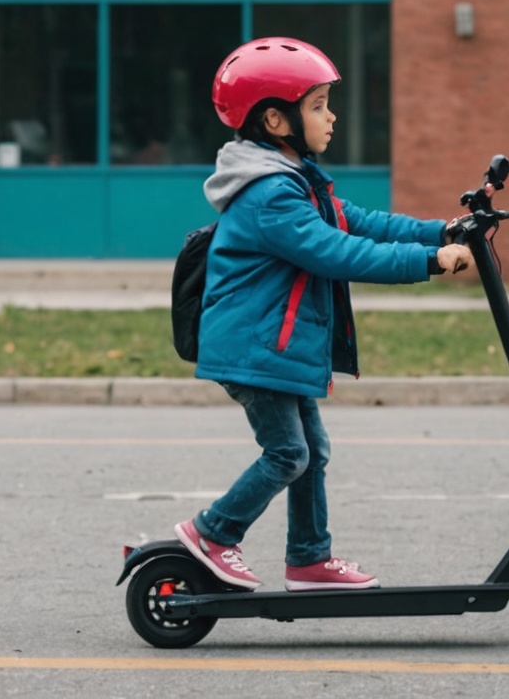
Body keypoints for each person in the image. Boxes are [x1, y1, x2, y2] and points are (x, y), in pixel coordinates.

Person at [174, 36, 474, 592]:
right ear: (275, 119)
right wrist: (429, 262)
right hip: (254, 350)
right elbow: (337, 251)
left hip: (277, 348)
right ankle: (213, 533)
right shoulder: (271, 197)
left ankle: (310, 560)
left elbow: (360, 222)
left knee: (311, 453)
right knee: (288, 453)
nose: (331, 116)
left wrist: (443, 230)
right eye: (317, 106)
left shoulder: (296, 181)